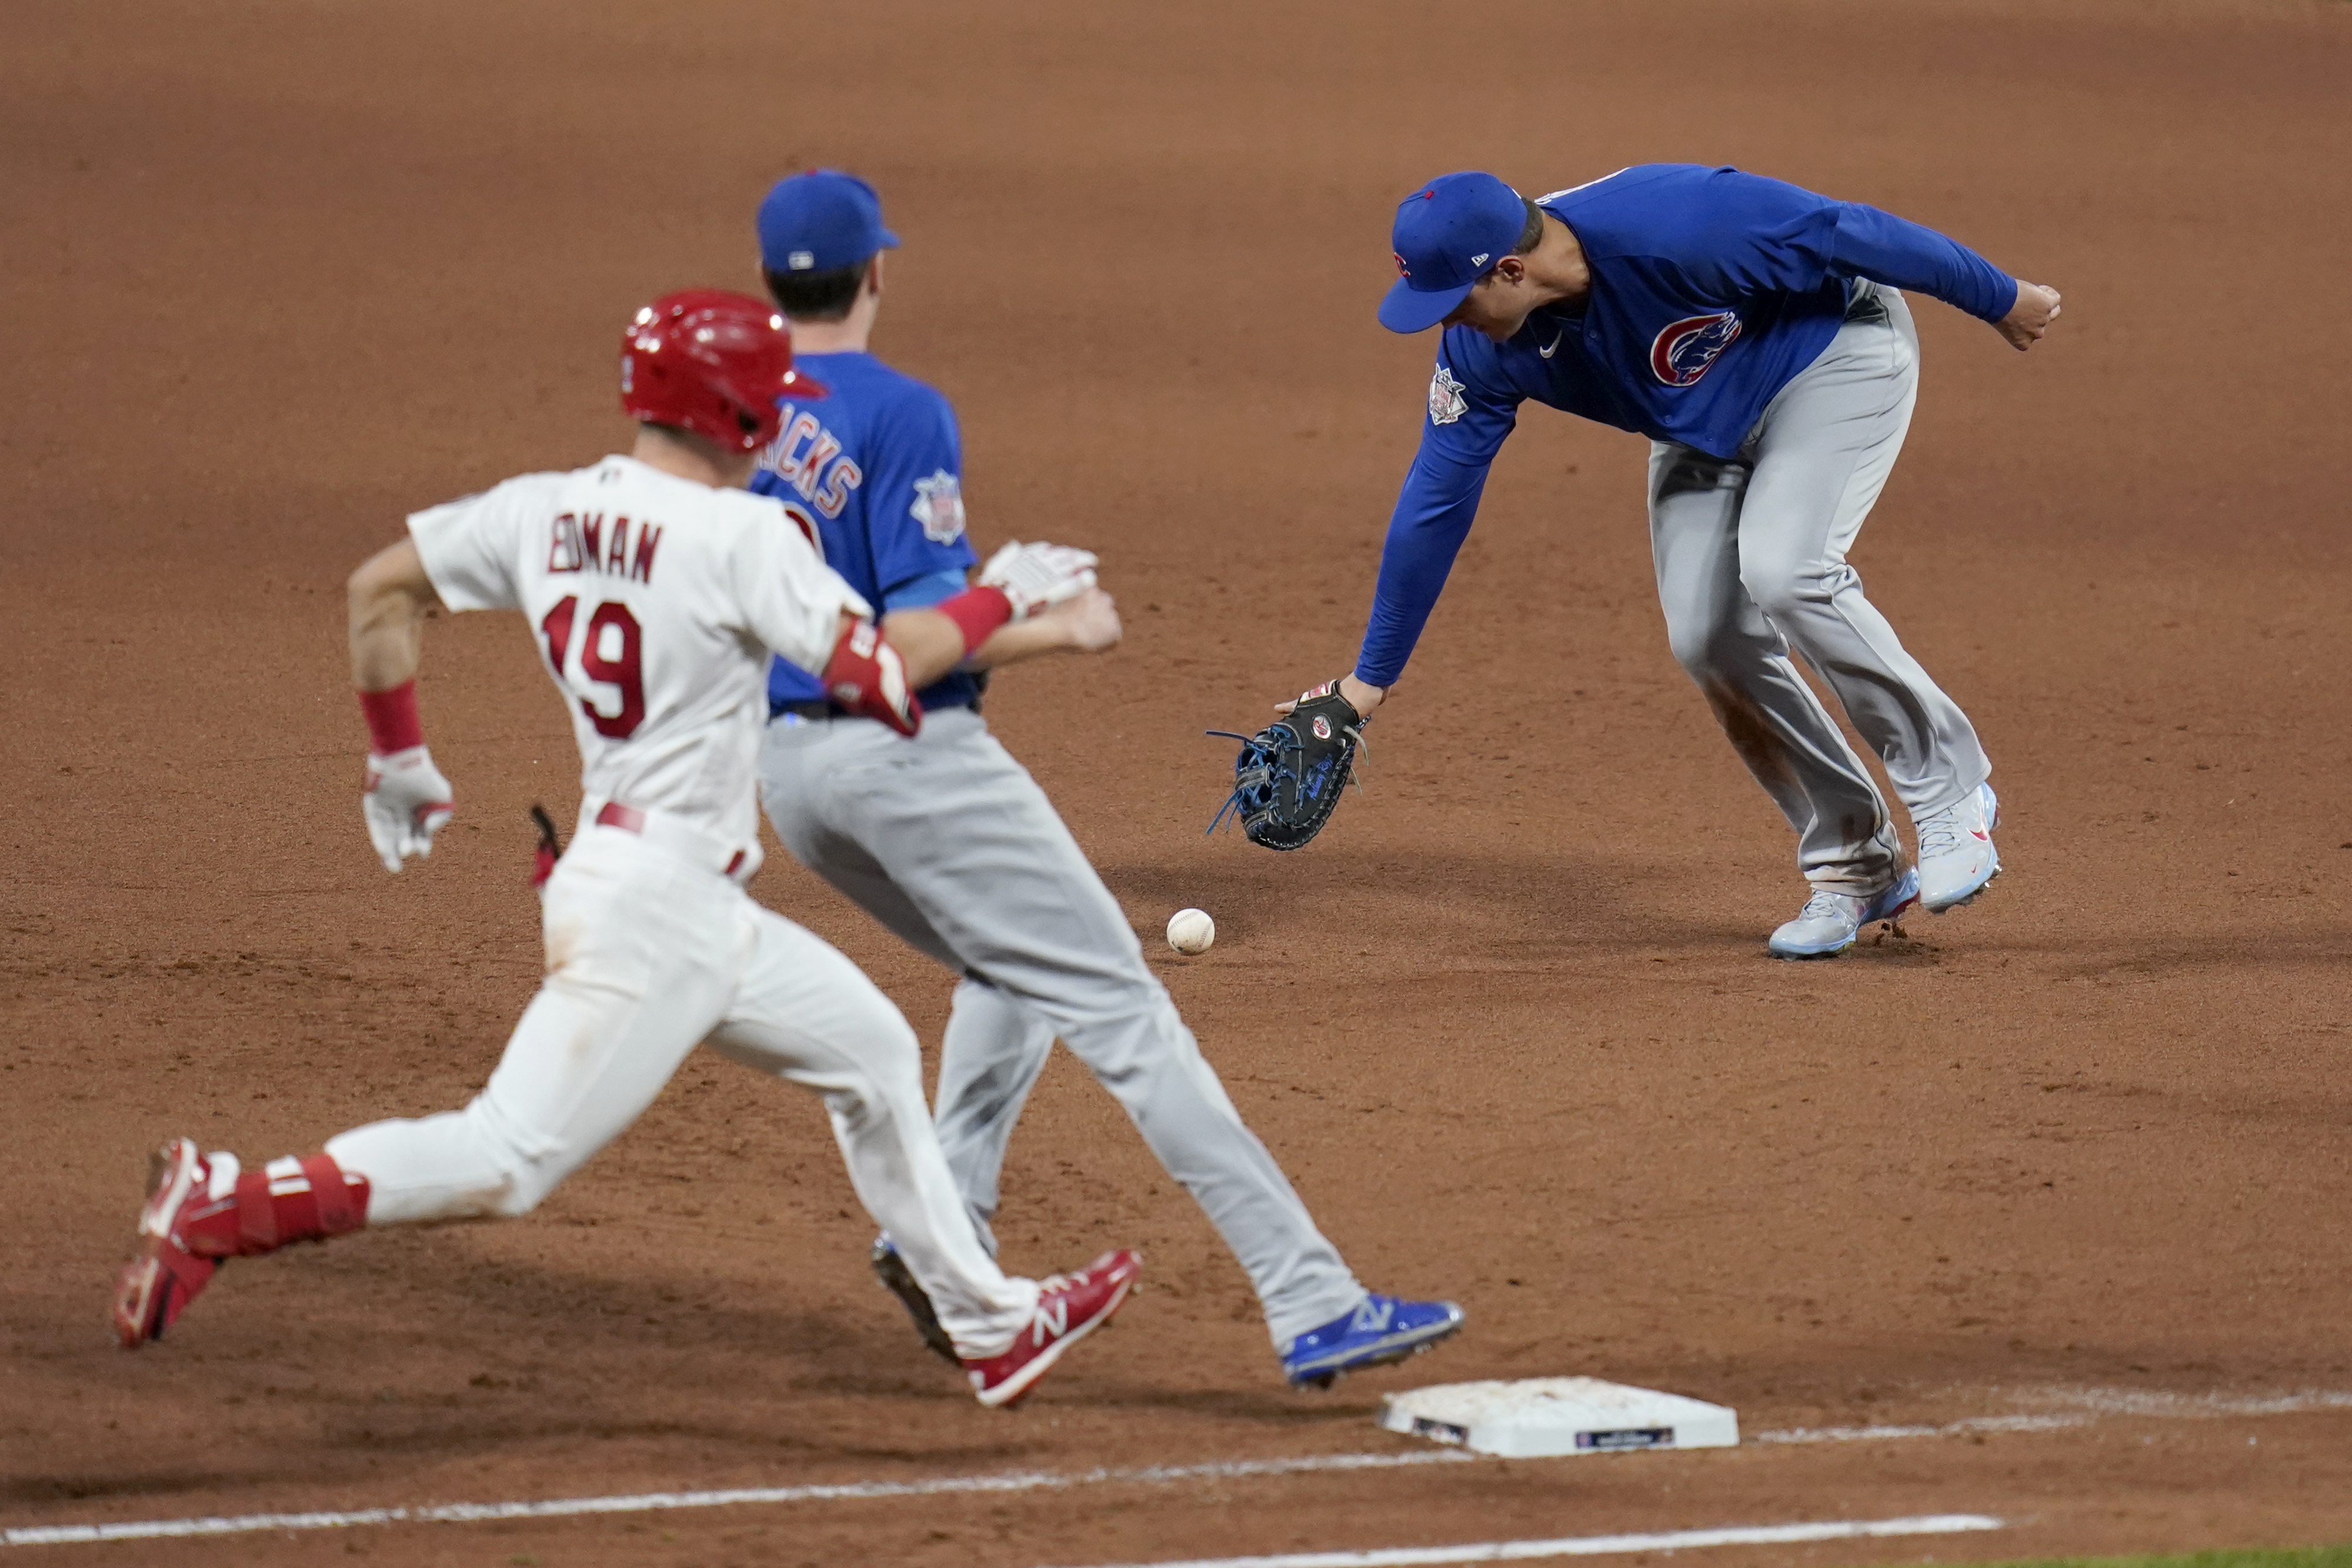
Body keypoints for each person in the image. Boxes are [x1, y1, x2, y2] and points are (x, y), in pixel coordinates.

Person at [110, 289, 1137, 1409]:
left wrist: (398, 758)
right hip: (657, 914)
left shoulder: (539, 512)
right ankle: (223, 1203)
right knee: (505, 1158)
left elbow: (380, 589)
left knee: (876, 1058)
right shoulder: (746, 536)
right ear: (738, 416)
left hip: (669, 891)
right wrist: (1006, 594)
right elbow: (878, 675)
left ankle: (989, 1321)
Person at [746, 169, 1462, 1387]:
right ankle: (1310, 1297)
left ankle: (951, 1232)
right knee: (1125, 1015)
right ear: (877, 270)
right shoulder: (896, 409)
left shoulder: (741, 412)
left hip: (791, 775)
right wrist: (1048, 621)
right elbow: (912, 642)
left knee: (1006, 967)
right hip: (911, 759)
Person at [1290, 166, 2061, 959]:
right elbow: (1436, 501)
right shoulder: (1481, 351)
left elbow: (1850, 230)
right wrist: (1368, 681)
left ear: (1510, 270)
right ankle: (1856, 866)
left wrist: (2000, 297)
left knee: (1786, 568)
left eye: (1455, 298)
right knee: (1706, 633)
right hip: (1703, 422)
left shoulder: (1677, 222)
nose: (1448, 323)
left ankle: (1950, 791)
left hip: (1834, 356)